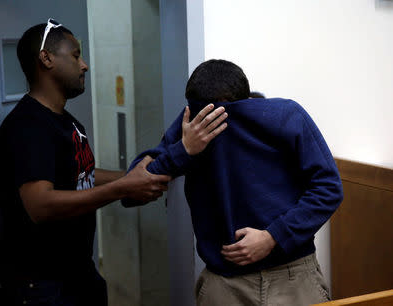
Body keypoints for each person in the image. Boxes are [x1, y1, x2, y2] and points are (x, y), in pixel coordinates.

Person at [0, 20, 227, 306]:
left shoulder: (66, 122)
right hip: (42, 285)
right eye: (76, 55)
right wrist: (124, 187)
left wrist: (141, 176)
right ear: (46, 58)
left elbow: (83, 174)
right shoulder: (27, 126)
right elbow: (39, 205)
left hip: (77, 274)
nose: (84, 65)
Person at [123, 59, 344, 306]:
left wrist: (273, 236)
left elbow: (329, 188)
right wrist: (184, 150)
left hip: (294, 278)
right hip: (225, 286)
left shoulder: (285, 116)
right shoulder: (194, 122)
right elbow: (131, 191)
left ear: (247, 102)